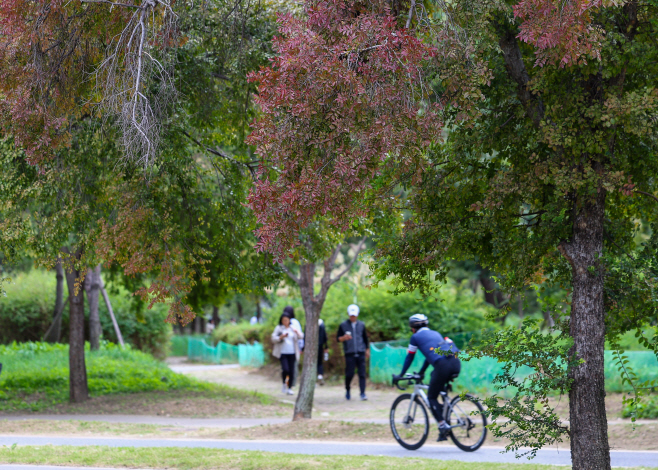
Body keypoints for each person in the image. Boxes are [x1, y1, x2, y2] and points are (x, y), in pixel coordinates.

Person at [393, 313, 461, 442]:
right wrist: (422, 372)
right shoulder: (435, 333)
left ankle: (442, 425)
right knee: (436, 384)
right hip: (456, 362)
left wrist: (400, 375)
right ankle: (444, 422)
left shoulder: (415, 337)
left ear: (413, 328)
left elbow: (410, 356)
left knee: (431, 397)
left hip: (443, 365)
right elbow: (430, 357)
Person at [337, 304, 369, 400]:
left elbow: (365, 339)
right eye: (351, 315)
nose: (353, 317)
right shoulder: (343, 325)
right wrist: (344, 338)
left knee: (362, 374)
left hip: (360, 352)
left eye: (354, 315)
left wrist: (366, 350)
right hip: (349, 353)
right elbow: (338, 339)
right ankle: (347, 389)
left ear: (357, 314)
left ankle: (362, 393)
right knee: (349, 373)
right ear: (348, 314)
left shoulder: (361, 325)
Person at [271, 312, 304, 395]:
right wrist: (280, 337)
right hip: (283, 352)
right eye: (284, 320)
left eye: (287, 320)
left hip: (292, 352)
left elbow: (301, 336)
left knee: (292, 370)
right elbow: (273, 338)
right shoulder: (279, 328)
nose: (285, 322)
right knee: (285, 369)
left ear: (289, 320)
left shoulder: (293, 328)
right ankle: (284, 383)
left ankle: (289, 388)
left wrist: (297, 332)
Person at [317, 318, 329, 385]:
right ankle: (320, 375)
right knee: (319, 362)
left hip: (314, 346)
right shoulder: (321, 323)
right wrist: (326, 346)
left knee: (316, 362)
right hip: (320, 346)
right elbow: (325, 336)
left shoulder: (309, 323)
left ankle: (318, 376)